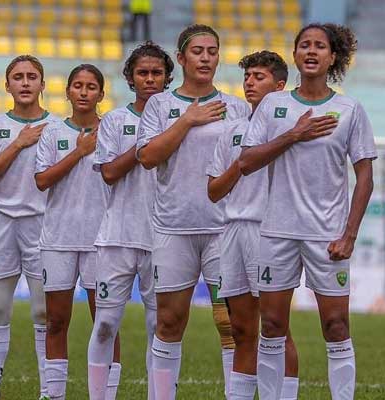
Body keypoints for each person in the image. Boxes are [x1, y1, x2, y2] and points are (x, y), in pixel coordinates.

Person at [239, 23, 374, 400]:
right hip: (278, 231)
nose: (311, 51)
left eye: (320, 46)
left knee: (335, 325)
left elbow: (364, 176)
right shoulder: (273, 105)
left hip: (327, 236)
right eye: (304, 45)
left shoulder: (349, 109)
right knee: (273, 324)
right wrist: (292, 135)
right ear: (295, 54)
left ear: (333, 57)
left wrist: (348, 234)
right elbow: (247, 162)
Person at [136, 24, 250, 399]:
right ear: (182, 59)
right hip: (173, 227)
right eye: (198, 51)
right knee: (169, 321)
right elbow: (148, 157)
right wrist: (187, 121)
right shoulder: (160, 105)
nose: (205, 57)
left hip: (223, 229)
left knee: (232, 325)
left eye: (212, 51)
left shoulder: (237, 106)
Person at [206, 50, 299, 400]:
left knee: (276, 328)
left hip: (270, 230)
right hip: (232, 230)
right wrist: (241, 164)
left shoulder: (291, 127)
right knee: (242, 329)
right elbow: (214, 191)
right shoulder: (231, 130)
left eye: (258, 77)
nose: (249, 83)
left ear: (279, 85)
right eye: (247, 77)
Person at [87, 41, 171, 400]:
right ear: (131, 79)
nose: (150, 79)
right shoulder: (116, 121)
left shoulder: (178, 120)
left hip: (163, 238)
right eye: (143, 72)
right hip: (118, 236)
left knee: (158, 326)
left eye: (156, 73)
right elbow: (107, 173)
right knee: (105, 324)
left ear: (168, 78)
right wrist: (144, 147)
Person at [0, 55, 60, 400]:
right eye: (18, 77)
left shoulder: (56, 126)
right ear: (7, 85)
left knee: (43, 311)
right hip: (1, 225)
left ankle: (46, 391)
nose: (25, 83)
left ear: (42, 84)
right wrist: (19, 142)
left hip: (43, 226)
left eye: (32, 76)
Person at [33, 63, 107, 400]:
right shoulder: (52, 133)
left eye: (91, 87)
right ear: (67, 92)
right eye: (77, 86)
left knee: (104, 324)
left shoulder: (113, 129)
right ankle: (54, 394)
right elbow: (42, 180)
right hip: (58, 239)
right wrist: (78, 152)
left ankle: (103, 394)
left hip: (100, 240)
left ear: (101, 94)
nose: (84, 92)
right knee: (56, 321)